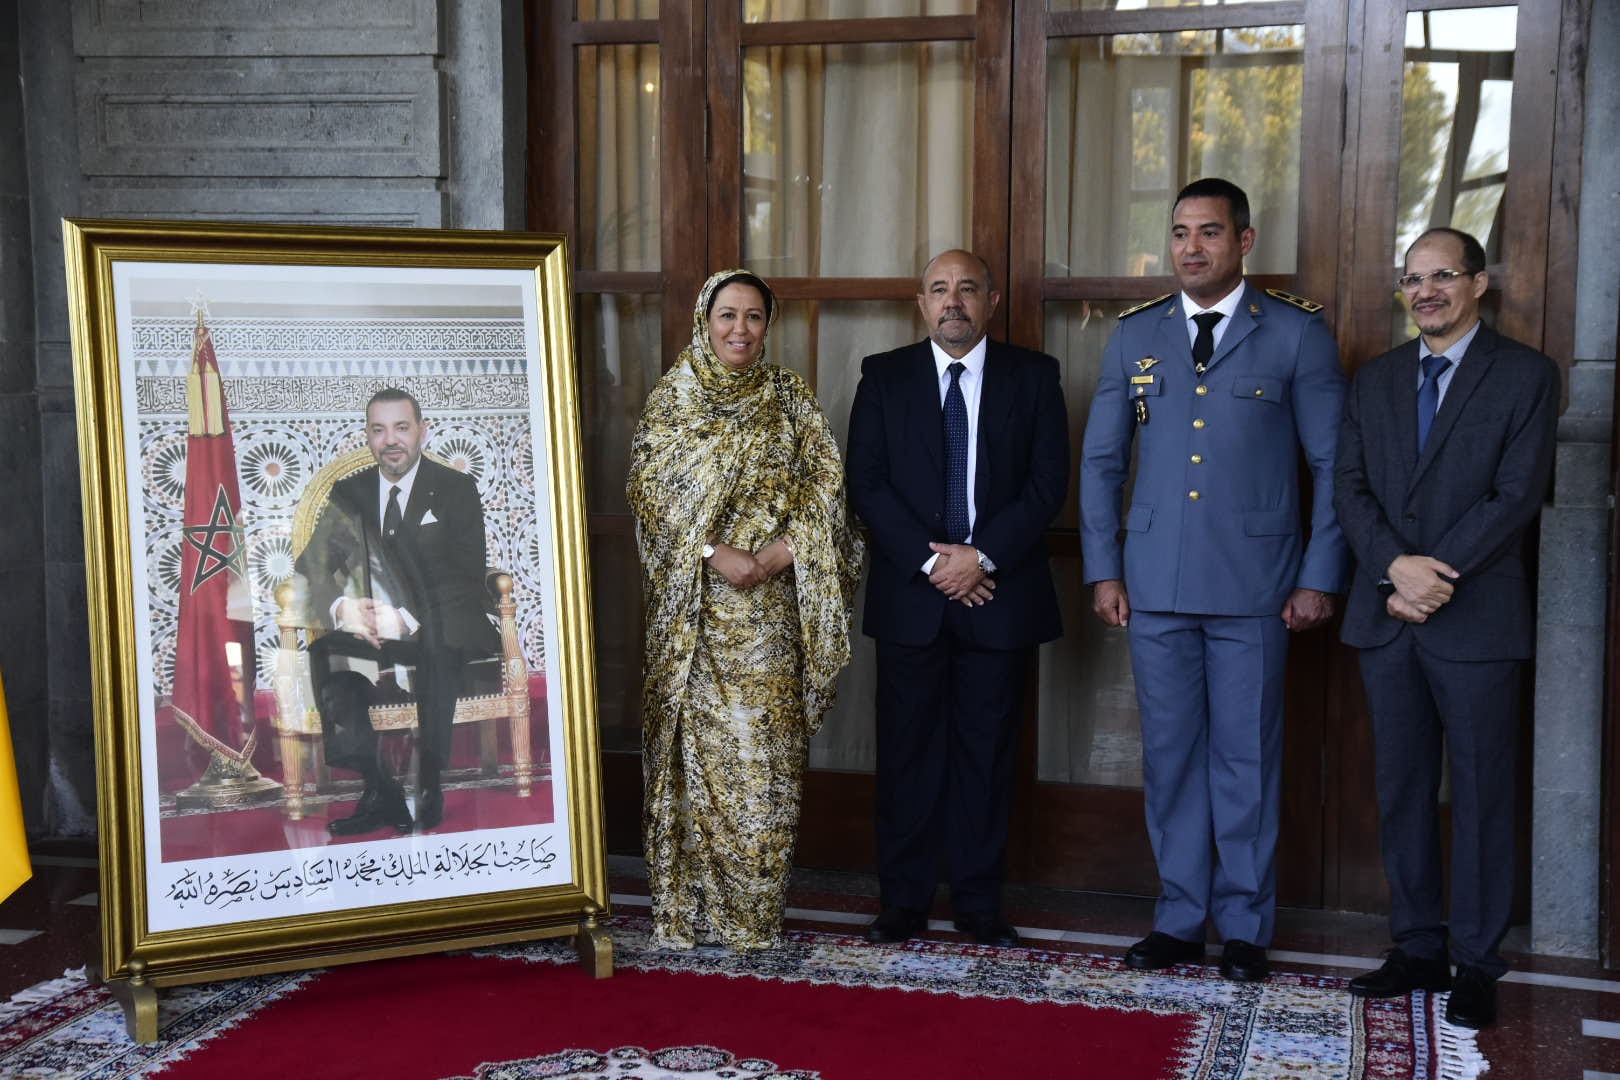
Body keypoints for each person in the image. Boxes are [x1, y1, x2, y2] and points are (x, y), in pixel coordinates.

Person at [1078, 178, 1348, 982]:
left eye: (1209, 232)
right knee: (1169, 758)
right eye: (1180, 233)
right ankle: (1177, 918)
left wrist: (1318, 576)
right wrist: (1103, 569)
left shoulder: (1296, 336)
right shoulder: (1135, 337)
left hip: (1257, 589)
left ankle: (1244, 927)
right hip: (1154, 584)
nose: (1192, 247)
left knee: (1246, 761)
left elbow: (1332, 467)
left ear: (1245, 241)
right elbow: (1101, 463)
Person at [1334, 227, 1558, 1030]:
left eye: (1442, 276)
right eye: (1412, 279)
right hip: (1388, 617)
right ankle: (1419, 946)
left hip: (1476, 621)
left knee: (1482, 794)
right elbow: (1349, 489)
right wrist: (1397, 568)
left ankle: (1477, 960)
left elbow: (1515, 494)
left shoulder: (1526, 376)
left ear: (1479, 283)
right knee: (1400, 792)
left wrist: (1430, 577)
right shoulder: (1376, 379)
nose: (1425, 291)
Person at [626, 269, 861, 952]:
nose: (740, 330)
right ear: (705, 320)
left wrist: (782, 553)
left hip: (772, 619)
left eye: (753, 317)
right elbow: (650, 492)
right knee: (699, 771)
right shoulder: (675, 400)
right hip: (696, 624)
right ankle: (693, 910)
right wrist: (710, 550)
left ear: (768, 324)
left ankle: (753, 917)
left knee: (767, 771)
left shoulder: (791, 399)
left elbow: (827, 491)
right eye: (727, 315)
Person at [846, 249, 1069, 948]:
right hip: (914, 597)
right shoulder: (883, 377)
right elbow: (868, 485)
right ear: (920, 303)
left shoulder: (1035, 376)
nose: (953, 301)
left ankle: (978, 903)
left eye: (967, 288)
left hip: (997, 596)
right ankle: (903, 901)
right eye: (939, 289)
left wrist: (980, 557)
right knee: (907, 755)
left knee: (987, 754)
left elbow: (1047, 481)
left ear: (991, 300)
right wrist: (933, 562)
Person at [296, 387, 499, 835]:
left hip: (441, 621)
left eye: (401, 428)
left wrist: (404, 618)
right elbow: (312, 564)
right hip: (374, 630)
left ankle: (428, 782)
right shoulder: (350, 493)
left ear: (422, 431)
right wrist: (344, 607)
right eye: (379, 429)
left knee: (436, 645)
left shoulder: (454, 488)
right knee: (326, 653)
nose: (391, 440)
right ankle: (379, 786)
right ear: (367, 437)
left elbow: (465, 575)